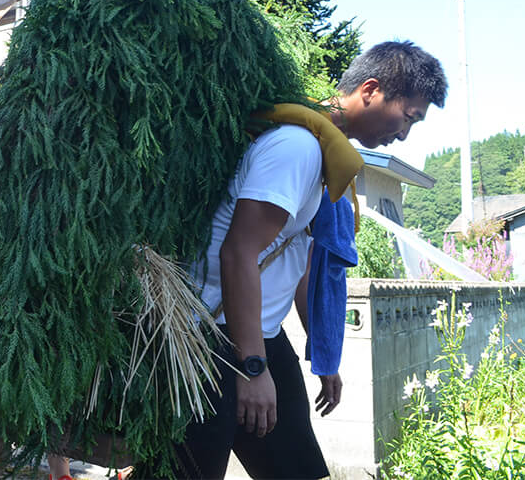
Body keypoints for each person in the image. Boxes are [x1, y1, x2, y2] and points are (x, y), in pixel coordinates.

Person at [165, 40, 448, 479]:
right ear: (370, 90)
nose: (405, 134)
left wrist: (324, 352)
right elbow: (238, 252)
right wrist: (252, 367)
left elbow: (295, 263)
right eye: (408, 117)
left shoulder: (324, 155)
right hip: (210, 341)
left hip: (257, 335)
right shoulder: (298, 148)